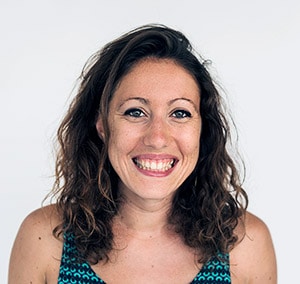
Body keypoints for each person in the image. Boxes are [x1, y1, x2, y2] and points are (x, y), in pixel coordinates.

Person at [8, 24, 277, 284]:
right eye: (135, 112)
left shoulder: (244, 244)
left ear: (202, 129)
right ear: (102, 125)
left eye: (180, 113)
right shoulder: (45, 239)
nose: (157, 138)